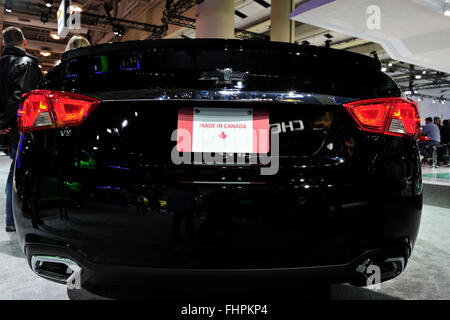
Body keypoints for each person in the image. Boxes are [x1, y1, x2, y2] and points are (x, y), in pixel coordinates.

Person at [0, 27, 42, 232]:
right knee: (25, 173)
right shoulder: (27, 64)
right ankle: (21, 219)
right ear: (24, 42)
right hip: (24, 128)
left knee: (15, 171)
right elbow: (20, 99)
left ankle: (12, 219)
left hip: (7, 128)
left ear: (4, 43)